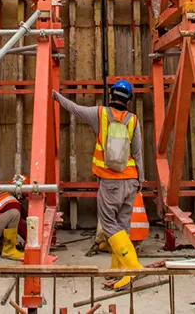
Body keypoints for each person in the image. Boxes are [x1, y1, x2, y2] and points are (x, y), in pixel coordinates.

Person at [52, 80, 144, 290]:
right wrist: (140, 181)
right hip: (130, 180)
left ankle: (133, 268)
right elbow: (137, 152)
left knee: (110, 226)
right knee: (122, 226)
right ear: (129, 100)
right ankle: (118, 272)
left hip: (110, 181)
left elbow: (74, 108)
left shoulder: (99, 114)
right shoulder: (133, 120)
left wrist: (56, 95)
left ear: (111, 96)